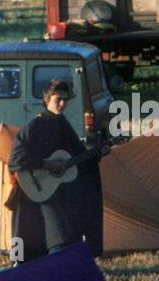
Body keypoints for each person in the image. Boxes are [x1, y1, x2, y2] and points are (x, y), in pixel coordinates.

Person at [8, 78, 106, 260]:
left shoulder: (63, 123)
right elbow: (16, 160)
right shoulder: (34, 126)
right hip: (40, 192)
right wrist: (47, 164)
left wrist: (97, 153)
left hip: (62, 193)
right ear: (47, 100)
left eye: (65, 100)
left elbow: (79, 155)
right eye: (57, 99)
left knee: (68, 235)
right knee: (58, 237)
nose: (62, 104)